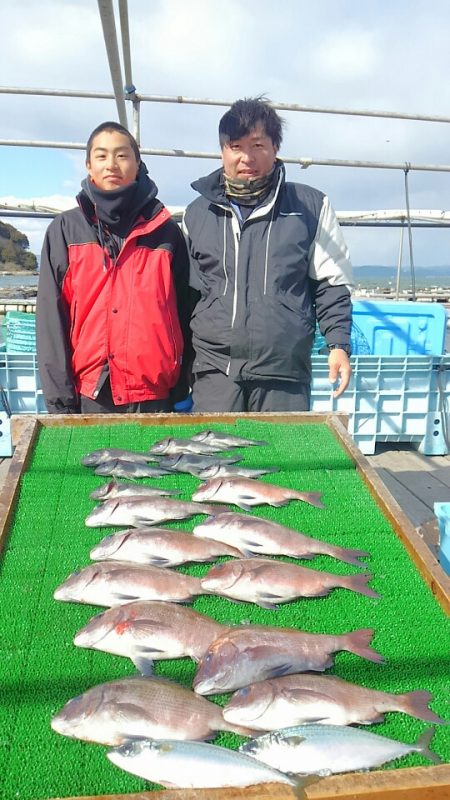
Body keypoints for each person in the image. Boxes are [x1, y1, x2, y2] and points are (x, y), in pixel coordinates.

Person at [183, 97, 354, 412]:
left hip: (283, 372)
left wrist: (338, 345)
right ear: (222, 151)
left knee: (277, 458)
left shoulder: (310, 207)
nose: (247, 157)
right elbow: (188, 296)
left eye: (258, 145)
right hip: (215, 370)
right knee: (211, 458)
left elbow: (331, 283)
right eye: (235, 146)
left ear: (275, 148)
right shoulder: (197, 214)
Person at [37, 121, 192, 414]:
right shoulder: (65, 230)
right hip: (93, 394)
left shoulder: (167, 232)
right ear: (88, 165)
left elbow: (184, 310)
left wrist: (182, 385)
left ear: (137, 164)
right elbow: (50, 321)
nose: (112, 164)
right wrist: (60, 402)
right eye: (102, 155)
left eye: (122, 155)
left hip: (155, 393)